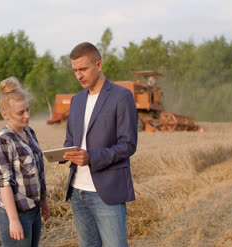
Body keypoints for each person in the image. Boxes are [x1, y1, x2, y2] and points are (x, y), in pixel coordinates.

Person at [62, 42, 138, 247]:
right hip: (77, 191)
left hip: (107, 192)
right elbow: (70, 140)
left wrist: (91, 158)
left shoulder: (121, 96)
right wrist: (66, 152)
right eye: (75, 70)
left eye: (83, 69)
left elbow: (128, 144)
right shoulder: (76, 101)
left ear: (99, 65)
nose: (79, 75)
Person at [0, 76, 50, 247]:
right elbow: (4, 184)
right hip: (16, 214)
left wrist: (43, 201)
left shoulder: (29, 132)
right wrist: (13, 220)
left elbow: (38, 171)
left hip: (34, 211)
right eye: (21, 112)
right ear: (5, 114)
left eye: (28, 110)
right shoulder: (3, 141)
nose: (27, 116)